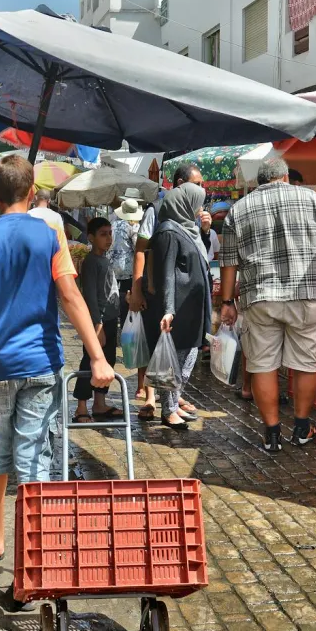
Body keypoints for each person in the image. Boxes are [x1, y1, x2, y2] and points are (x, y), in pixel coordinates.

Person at [0, 155, 112, 571]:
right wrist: (96, 357)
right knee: (32, 456)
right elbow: (71, 298)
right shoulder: (48, 237)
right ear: (33, 194)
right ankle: (34, 556)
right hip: (42, 363)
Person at [219, 157, 316, 454]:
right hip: (304, 295)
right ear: (286, 177)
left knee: (262, 365)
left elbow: (228, 262)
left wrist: (227, 302)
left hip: (259, 298)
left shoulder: (239, 209)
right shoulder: (313, 200)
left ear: (259, 181)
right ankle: (302, 428)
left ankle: (272, 433)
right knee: (306, 362)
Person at [129, 164, 203, 419]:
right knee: (162, 347)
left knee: (179, 349)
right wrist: (137, 288)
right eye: (196, 184)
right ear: (181, 183)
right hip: (158, 291)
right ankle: (157, 399)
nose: (200, 190)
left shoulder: (191, 212)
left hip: (183, 296)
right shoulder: (158, 210)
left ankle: (171, 397)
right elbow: (141, 249)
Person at [140, 183, 213, 431]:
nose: (200, 208)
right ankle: (168, 410)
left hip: (191, 308)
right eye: (197, 202)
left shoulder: (187, 229)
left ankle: (173, 404)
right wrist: (168, 309)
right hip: (178, 308)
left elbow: (202, 260)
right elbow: (167, 274)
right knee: (174, 361)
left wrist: (204, 232)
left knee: (188, 357)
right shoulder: (168, 232)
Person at [75, 217, 120, 423]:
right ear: (91, 237)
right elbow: (91, 296)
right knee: (90, 361)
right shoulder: (91, 262)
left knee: (108, 361)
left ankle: (99, 403)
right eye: (103, 234)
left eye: (110, 233)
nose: (108, 238)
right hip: (98, 322)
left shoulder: (104, 259)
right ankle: (81, 406)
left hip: (110, 320)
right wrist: (97, 324)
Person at [109, 189, 143, 323]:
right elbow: (138, 248)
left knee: (114, 296)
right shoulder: (133, 226)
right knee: (126, 301)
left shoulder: (113, 224)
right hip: (127, 270)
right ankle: (125, 326)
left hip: (113, 267)